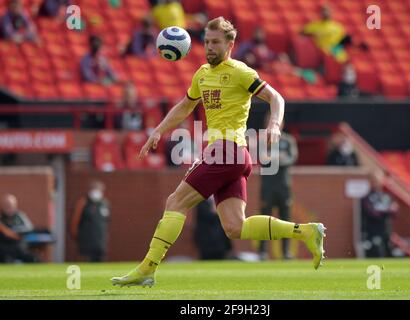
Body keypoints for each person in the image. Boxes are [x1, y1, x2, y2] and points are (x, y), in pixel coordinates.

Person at [111, 17, 326, 288]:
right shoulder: (202, 74)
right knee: (235, 227)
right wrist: (159, 130)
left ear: (230, 44)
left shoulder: (239, 71)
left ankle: (147, 269)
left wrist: (273, 124)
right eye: (206, 42)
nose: (209, 47)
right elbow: (185, 106)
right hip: (234, 156)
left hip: (227, 151)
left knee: (175, 202)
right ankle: (305, 231)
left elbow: (276, 98)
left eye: (215, 42)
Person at [259, 118, 299, 260]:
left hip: (284, 186)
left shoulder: (288, 140)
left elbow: (292, 158)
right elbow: (262, 158)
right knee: (265, 220)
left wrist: (274, 158)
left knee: (286, 219)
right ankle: (262, 252)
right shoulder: (263, 140)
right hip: (268, 186)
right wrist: (278, 157)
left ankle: (286, 252)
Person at [70, 181, 110, 262]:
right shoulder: (83, 202)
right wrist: (76, 235)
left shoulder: (104, 203)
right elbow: (75, 220)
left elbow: (106, 222)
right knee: (87, 261)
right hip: (86, 241)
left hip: (100, 241)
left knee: (100, 261)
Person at [361, 176, 398, 258]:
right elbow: (373, 213)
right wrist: (387, 210)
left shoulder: (384, 196)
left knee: (388, 249)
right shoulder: (367, 197)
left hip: (385, 228)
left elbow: (394, 211)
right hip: (372, 229)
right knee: (375, 249)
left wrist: (389, 210)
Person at [0, 194, 38, 263]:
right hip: (3, 247)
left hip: (18, 246)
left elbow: (29, 228)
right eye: (6, 205)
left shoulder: (20, 216)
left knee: (32, 258)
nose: (8, 207)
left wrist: (15, 230)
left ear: (15, 205)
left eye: (10, 205)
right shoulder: (1, 218)